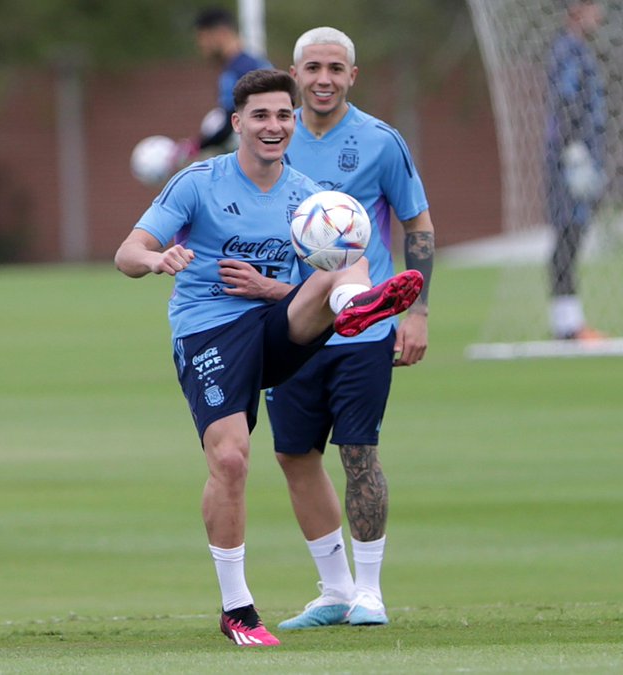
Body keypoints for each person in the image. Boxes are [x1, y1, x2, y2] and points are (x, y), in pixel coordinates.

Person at [114, 68, 423, 647]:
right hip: (211, 333)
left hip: (279, 324)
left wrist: (322, 287)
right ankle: (237, 610)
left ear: (293, 123)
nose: (274, 126)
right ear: (238, 124)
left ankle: (357, 304)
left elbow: (330, 257)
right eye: (261, 116)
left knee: (342, 241)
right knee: (231, 461)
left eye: (284, 115)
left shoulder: (308, 196)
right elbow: (127, 252)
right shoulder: (198, 183)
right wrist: (158, 262)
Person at [218, 27, 434, 630]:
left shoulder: (380, 142)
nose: (323, 79)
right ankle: (335, 588)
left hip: (364, 329)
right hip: (291, 325)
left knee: (360, 452)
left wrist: (416, 312)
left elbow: (417, 225)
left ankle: (371, 592)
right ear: (294, 71)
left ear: (352, 77)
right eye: (312, 67)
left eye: (335, 69)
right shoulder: (273, 139)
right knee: (293, 454)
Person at [545, 0, 607, 340]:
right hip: (569, 158)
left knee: (574, 235)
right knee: (568, 235)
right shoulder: (568, 50)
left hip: (579, 154)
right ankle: (567, 324)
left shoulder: (579, 49)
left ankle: (568, 321)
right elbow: (566, 101)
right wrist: (574, 150)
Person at [193, 7, 273, 155]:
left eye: (203, 38)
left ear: (220, 33)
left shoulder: (237, 72)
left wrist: (196, 147)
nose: (201, 46)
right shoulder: (254, 63)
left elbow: (228, 126)